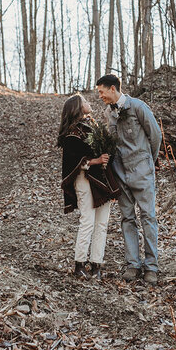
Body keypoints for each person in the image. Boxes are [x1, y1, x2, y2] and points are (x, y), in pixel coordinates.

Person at [95, 74, 162, 285]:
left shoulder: (138, 106)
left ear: (113, 89)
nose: (100, 96)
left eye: (101, 91)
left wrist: (148, 162)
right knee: (127, 219)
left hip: (142, 171)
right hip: (120, 173)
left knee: (148, 217)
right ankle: (133, 264)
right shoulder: (109, 113)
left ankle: (151, 267)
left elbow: (156, 135)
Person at [57, 94, 120, 279]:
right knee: (88, 222)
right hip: (84, 180)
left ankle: (96, 265)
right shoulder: (72, 133)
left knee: (102, 223)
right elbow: (72, 161)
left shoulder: (94, 127)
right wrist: (95, 160)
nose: (89, 103)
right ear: (77, 107)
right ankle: (79, 265)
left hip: (102, 179)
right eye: (85, 101)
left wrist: (106, 157)